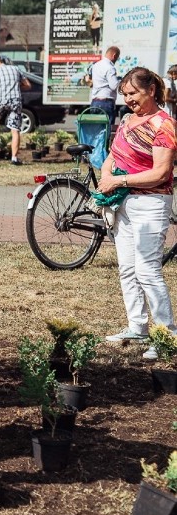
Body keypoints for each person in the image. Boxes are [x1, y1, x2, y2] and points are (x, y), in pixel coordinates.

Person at [98, 68, 177, 360]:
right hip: (124, 203)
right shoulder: (129, 120)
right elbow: (113, 155)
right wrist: (106, 173)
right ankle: (137, 326)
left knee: (147, 270)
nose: (128, 100)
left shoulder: (164, 124)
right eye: (125, 95)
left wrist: (118, 181)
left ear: (151, 91)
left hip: (151, 204)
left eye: (133, 94)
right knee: (128, 268)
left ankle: (166, 333)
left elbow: (161, 172)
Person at [0, 56, 31, 166]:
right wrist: (17, 87)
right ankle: (14, 158)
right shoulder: (16, 69)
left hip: (0, 100)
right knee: (15, 130)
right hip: (15, 101)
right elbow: (28, 85)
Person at [90, 46, 121, 127]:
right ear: (114, 56)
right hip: (106, 103)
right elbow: (114, 86)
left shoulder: (96, 65)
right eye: (117, 58)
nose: (116, 60)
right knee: (107, 130)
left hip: (94, 102)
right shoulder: (110, 67)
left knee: (95, 130)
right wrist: (120, 81)